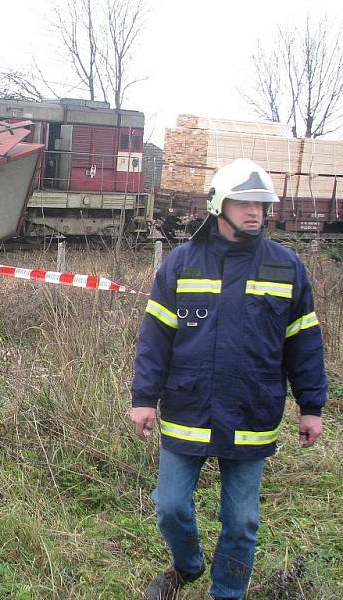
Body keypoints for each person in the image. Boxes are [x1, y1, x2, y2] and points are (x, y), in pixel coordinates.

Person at [128, 158, 326, 600]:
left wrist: (311, 406)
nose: (254, 211)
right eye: (243, 202)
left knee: (241, 521)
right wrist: (144, 398)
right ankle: (187, 565)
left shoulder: (287, 268)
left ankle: (227, 593)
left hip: (251, 411)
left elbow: (304, 342)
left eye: (260, 203)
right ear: (219, 204)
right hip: (188, 410)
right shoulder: (181, 263)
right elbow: (155, 339)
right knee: (171, 507)